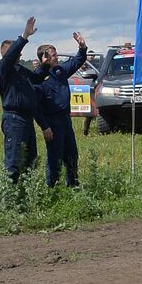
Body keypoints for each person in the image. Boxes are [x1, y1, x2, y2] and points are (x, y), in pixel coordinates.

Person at [0, 17, 52, 184]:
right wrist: (24, 36)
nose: (20, 55)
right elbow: (9, 57)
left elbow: (35, 78)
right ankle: (9, 198)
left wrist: (45, 65)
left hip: (26, 119)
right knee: (13, 160)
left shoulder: (19, 69)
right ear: (8, 53)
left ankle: (27, 195)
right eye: (17, 52)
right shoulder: (3, 69)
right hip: (13, 119)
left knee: (30, 159)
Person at [35, 33, 88, 187]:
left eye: (56, 54)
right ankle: (52, 187)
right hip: (52, 122)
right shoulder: (38, 79)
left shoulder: (60, 71)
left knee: (72, 154)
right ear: (44, 59)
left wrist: (82, 47)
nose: (56, 57)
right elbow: (37, 107)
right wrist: (45, 126)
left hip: (65, 119)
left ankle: (73, 185)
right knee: (54, 157)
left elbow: (77, 61)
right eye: (53, 55)